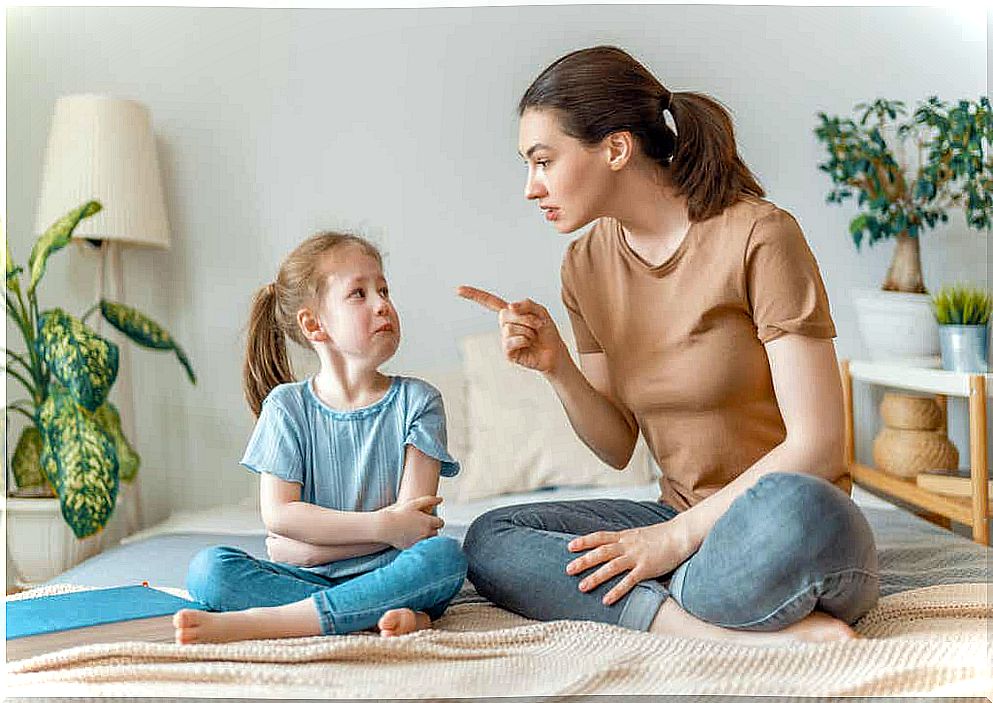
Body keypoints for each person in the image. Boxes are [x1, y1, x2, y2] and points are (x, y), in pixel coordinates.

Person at [459, 46, 878, 646]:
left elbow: (818, 443)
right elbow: (616, 445)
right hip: (678, 521)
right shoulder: (585, 264)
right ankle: (703, 625)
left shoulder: (759, 235)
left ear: (616, 148)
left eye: (544, 161)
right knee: (491, 539)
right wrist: (558, 369)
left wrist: (670, 544)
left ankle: (671, 596)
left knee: (793, 508)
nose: (532, 187)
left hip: (784, 523)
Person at [174, 232, 467, 644]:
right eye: (359, 294)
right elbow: (280, 516)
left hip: (392, 572)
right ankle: (365, 616)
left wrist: (312, 548)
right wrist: (381, 528)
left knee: (443, 558)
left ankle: (272, 623)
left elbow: (412, 528)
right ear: (313, 323)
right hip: (328, 582)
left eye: (384, 290)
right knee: (209, 570)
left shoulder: (419, 401)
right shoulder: (286, 407)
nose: (383, 303)